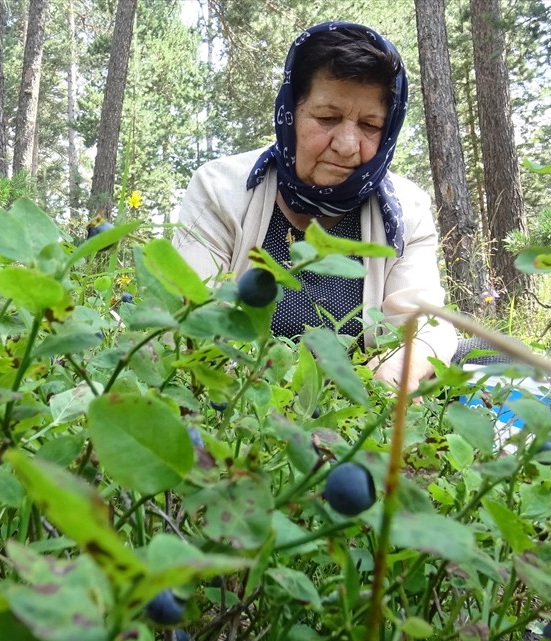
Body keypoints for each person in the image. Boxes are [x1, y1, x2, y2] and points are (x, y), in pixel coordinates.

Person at [173, 21, 457, 391]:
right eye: (327, 118)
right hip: (246, 392)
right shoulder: (220, 189)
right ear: (290, 112)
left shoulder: (406, 209)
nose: (347, 145)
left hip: (356, 395)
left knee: (496, 357)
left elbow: (424, 325)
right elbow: (190, 317)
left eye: (370, 125)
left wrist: (396, 373)